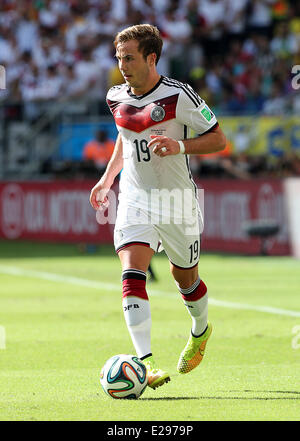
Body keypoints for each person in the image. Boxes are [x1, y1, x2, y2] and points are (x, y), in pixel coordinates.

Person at [89, 24, 226, 390]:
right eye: (119, 58)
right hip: (134, 198)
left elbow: (218, 139)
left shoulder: (179, 95)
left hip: (177, 201)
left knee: (187, 281)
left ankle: (200, 330)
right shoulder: (115, 95)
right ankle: (145, 363)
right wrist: (107, 180)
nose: (122, 65)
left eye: (129, 58)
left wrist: (179, 146)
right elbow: (125, 138)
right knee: (132, 273)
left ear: (152, 57)